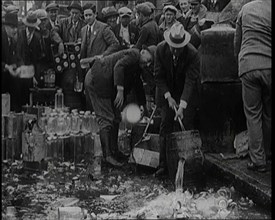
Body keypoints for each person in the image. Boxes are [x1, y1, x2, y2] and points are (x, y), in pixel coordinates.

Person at [84, 46, 156, 167]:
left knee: (116, 117)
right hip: (98, 79)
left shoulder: (138, 66)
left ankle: (114, 151)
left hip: (107, 84)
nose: (147, 64)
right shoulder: (134, 54)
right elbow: (119, 66)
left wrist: (143, 105)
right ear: (143, 51)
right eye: (148, 59)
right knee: (106, 118)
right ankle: (107, 156)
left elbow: (137, 84)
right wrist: (120, 90)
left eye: (150, 63)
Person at [154, 23, 200, 176]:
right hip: (167, 91)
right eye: (173, 47)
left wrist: (182, 105)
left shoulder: (192, 54)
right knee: (165, 125)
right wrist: (168, 97)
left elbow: (190, 81)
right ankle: (163, 165)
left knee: (185, 126)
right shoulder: (160, 50)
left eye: (178, 48)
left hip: (185, 93)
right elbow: (158, 76)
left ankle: (186, 166)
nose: (175, 51)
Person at [234, 0, 271, 173]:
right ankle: (268, 152)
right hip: (270, 66)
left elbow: (237, 40)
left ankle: (258, 160)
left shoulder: (246, 9)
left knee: (253, 114)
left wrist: (239, 60)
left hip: (248, 66)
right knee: (269, 113)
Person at [2, 13, 21, 111]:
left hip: (8, 80)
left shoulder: (13, 40)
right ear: (5, 26)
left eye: (16, 27)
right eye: (12, 27)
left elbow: (16, 58)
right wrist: (5, 66)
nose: (15, 30)